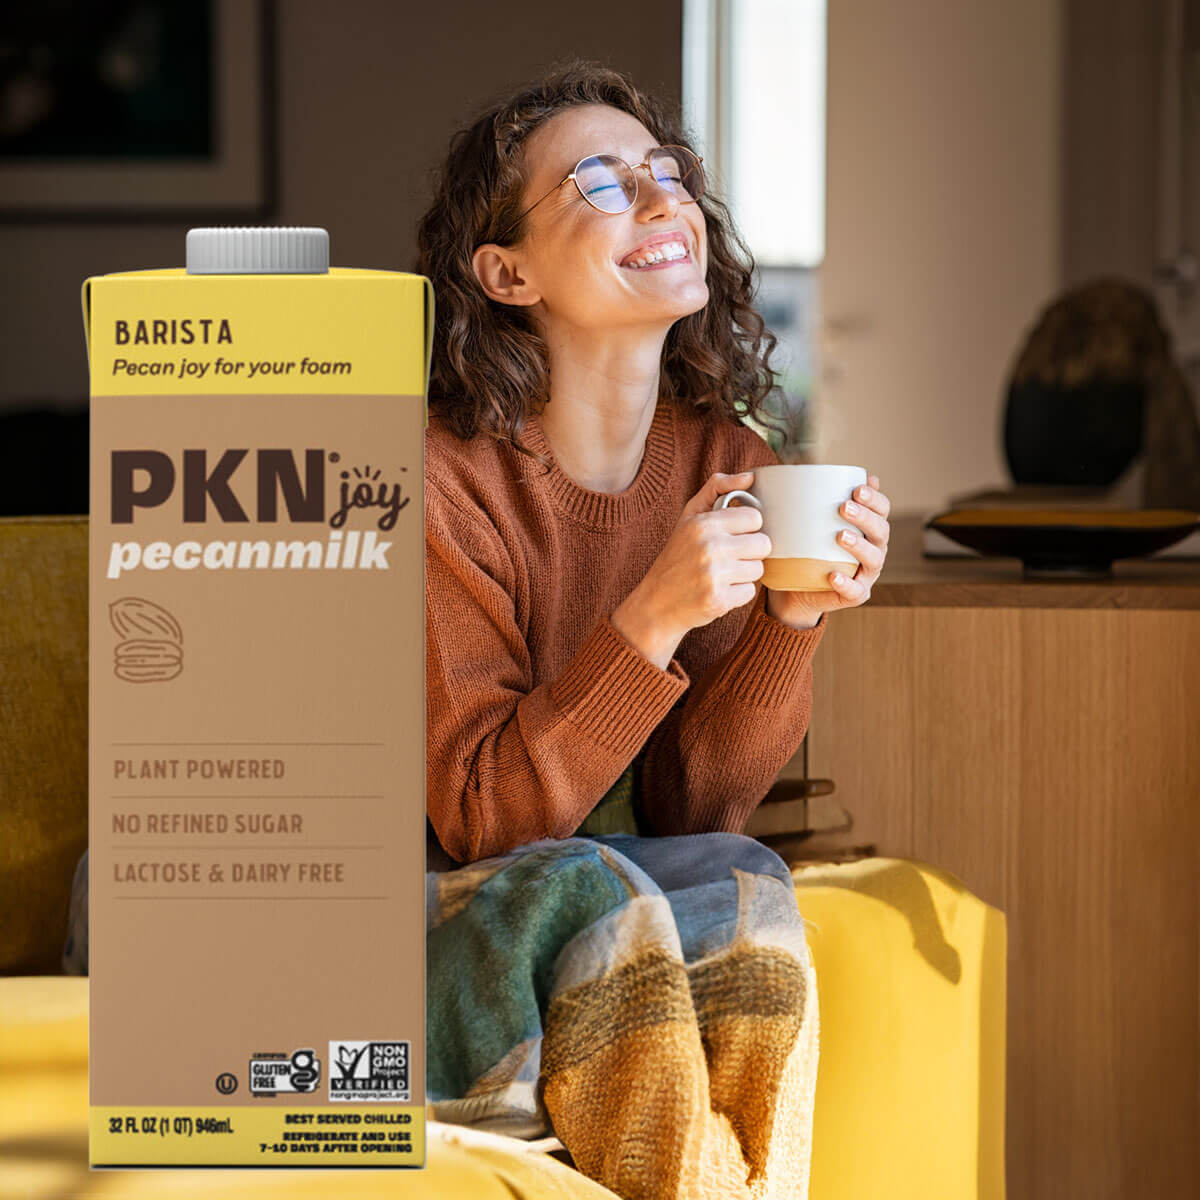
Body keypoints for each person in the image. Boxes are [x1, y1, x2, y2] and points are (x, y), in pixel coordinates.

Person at [414, 58, 891, 1200]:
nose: (662, 196)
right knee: (593, 890)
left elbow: (694, 814)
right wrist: (651, 618)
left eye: (667, 174)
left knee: (738, 880)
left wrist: (790, 622)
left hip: (608, 888)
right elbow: (486, 819)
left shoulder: (735, 466)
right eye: (602, 181)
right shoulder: (435, 482)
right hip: (445, 904)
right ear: (506, 270)